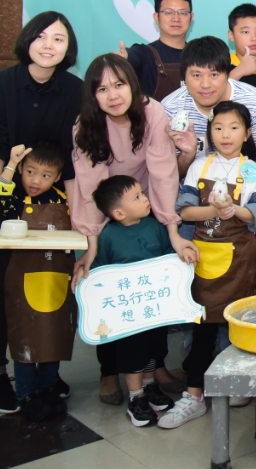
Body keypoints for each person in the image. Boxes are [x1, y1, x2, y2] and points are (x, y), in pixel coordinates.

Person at [0, 10, 83, 415]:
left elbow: (74, 161)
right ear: (27, 40)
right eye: (41, 36)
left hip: (55, 205)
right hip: (7, 198)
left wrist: (78, 216)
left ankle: (45, 369)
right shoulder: (0, 86)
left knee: (48, 285)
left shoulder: (75, 91)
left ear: (68, 48)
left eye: (59, 39)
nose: (49, 45)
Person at [70, 54, 190, 403]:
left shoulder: (152, 112)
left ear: (132, 86)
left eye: (119, 85)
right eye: (102, 89)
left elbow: (163, 173)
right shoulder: (85, 126)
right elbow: (91, 186)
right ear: (92, 95)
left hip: (144, 205)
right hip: (104, 213)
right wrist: (92, 245)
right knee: (108, 295)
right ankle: (109, 372)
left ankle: (156, 367)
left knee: (151, 293)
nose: (113, 95)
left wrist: (171, 230)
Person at [165, 101, 256, 429]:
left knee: (238, 326)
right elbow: (185, 211)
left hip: (240, 259)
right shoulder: (199, 165)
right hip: (202, 258)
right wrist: (215, 211)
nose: (226, 134)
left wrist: (233, 210)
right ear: (210, 132)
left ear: (247, 133)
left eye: (234, 128)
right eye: (219, 127)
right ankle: (194, 395)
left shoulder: (253, 170)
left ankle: (237, 382)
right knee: (203, 328)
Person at [86, 176, 192, 427]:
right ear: (119, 213)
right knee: (133, 353)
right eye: (137, 197)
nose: (145, 198)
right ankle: (136, 398)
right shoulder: (109, 235)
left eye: (142, 193)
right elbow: (101, 271)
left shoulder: (155, 226)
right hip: (128, 314)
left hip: (155, 308)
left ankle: (150, 387)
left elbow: (168, 254)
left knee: (155, 348)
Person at [0, 141, 76, 421]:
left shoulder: (66, 199)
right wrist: (10, 164)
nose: (36, 181)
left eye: (46, 175)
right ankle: (26, 392)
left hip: (57, 279)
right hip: (23, 281)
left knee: (54, 333)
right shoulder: (16, 199)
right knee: (25, 337)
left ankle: (48, 387)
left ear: (58, 177)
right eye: (30, 172)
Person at [161, 36, 256, 178]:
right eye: (197, 75)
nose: (205, 85)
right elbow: (168, 177)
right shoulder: (171, 108)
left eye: (214, 74)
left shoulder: (254, 102)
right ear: (184, 76)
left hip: (242, 187)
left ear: (227, 74)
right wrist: (187, 154)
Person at [118, 0, 193, 100]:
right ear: (156, 17)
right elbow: (131, 57)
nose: (176, 19)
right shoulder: (144, 54)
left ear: (191, 18)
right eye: (168, 12)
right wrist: (121, 59)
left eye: (182, 13)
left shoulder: (200, 54)